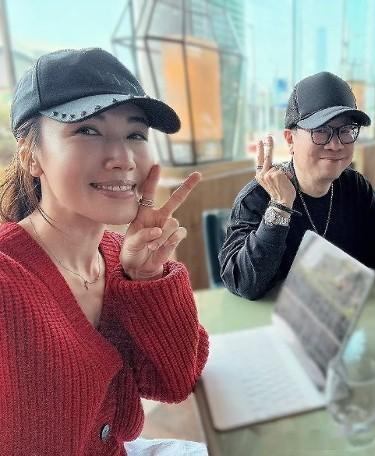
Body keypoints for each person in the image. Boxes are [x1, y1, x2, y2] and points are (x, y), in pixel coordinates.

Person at [0, 48, 209, 454]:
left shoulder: (118, 257)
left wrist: (146, 280)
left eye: (135, 134)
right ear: (30, 156)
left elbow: (175, 382)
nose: (123, 158)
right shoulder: (8, 280)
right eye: (88, 130)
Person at [219, 72, 375, 300]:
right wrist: (280, 206)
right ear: (290, 139)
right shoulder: (257, 196)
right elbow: (243, 284)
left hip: (344, 313)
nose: (335, 145)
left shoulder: (355, 187)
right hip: (277, 317)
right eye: (321, 131)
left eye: (345, 131)